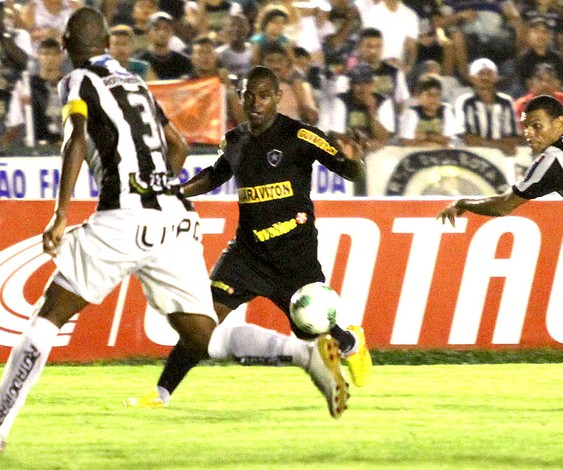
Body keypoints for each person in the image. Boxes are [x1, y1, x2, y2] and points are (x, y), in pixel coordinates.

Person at [0, 6, 220, 452]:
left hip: (122, 217)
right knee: (202, 334)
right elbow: (176, 144)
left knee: (50, 315)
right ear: (105, 42)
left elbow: (75, 137)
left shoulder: (78, 80)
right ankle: (305, 353)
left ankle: (0, 423)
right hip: (170, 217)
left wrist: (61, 212)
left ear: (65, 45)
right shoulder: (137, 81)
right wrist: (160, 189)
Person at [126, 65, 372, 418]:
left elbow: (347, 170)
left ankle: (350, 342)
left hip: (294, 257)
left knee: (312, 330)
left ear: (276, 98)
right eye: (249, 95)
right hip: (247, 255)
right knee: (204, 322)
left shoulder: (301, 136)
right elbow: (214, 175)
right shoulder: (236, 140)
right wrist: (175, 192)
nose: (255, 102)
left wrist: (357, 162)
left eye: (263, 95)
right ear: (241, 97)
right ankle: (161, 392)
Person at [437, 94, 563, 380]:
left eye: (537, 126)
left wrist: (463, 203)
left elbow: (503, 205)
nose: (529, 134)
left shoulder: (551, 160)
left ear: (560, 123)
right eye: (526, 127)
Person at [2, 37, 64, 148]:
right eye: (45, 54)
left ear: (61, 56)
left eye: (54, 54)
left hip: (64, 145)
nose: (50, 58)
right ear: (38, 56)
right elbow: (15, 122)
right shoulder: (25, 86)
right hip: (35, 145)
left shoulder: (70, 85)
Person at [453, 58, 521, 155]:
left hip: (500, 159)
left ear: (496, 77)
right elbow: (467, 138)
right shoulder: (465, 101)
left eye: (489, 73)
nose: (485, 77)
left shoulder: (506, 102)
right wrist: (499, 146)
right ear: (472, 78)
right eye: (480, 73)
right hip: (472, 156)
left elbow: (512, 138)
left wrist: (485, 143)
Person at [399, 73, 459, 147]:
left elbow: (446, 140)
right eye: (429, 95)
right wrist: (435, 140)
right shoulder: (411, 113)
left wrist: (427, 136)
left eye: (437, 95)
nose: (434, 99)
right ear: (419, 97)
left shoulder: (446, 110)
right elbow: (406, 142)